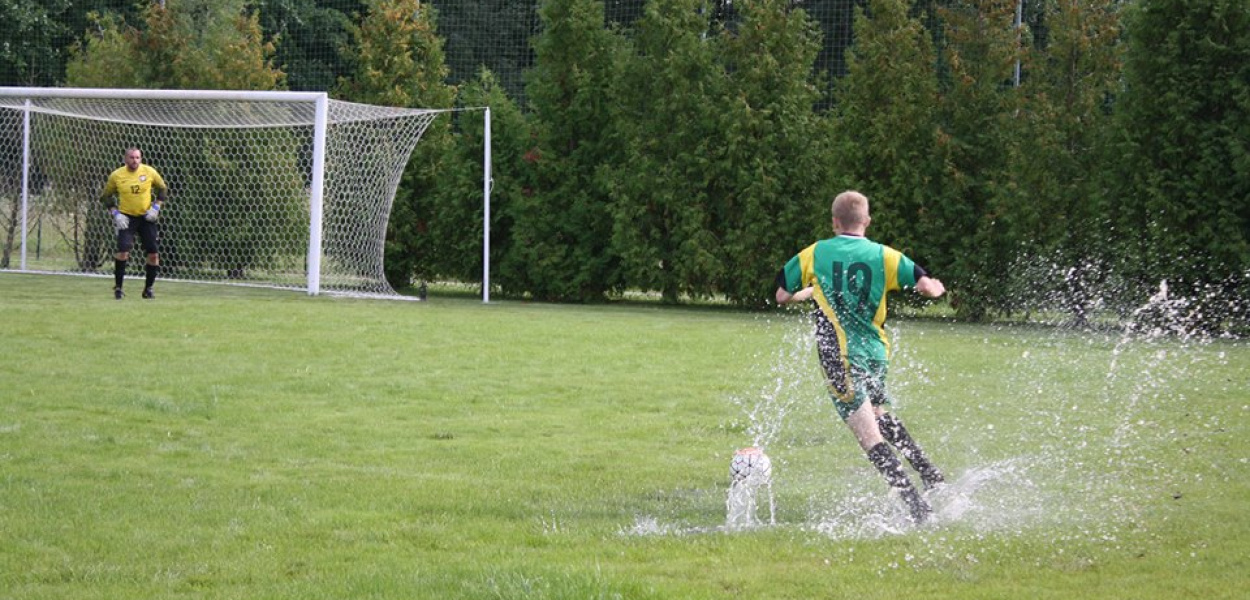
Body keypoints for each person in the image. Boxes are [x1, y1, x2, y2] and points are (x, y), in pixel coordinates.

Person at [774, 190, 946, 524]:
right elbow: (925, 285)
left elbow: (781, 294)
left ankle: (918, 510)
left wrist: (810, 291)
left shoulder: (816, 252)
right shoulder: (886, 255)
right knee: (879, 415)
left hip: (839, 356)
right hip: (876, 354)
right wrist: (935, 287)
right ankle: (932, 476)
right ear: (866, 221)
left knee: (869, 435)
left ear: (834, 222)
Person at [101, 147, 168, 300]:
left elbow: (163, 189)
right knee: (123, 252)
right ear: (125, 159)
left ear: (141, 158)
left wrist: (156, 207)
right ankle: (118, 288)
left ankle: (148, 289)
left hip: (146, 217)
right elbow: (106, 196)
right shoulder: (117, 175)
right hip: (126, 218)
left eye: (137, 157)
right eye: (131, 157)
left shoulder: (149, 172)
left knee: (153, 254)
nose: (135, 160)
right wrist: (115, 213)